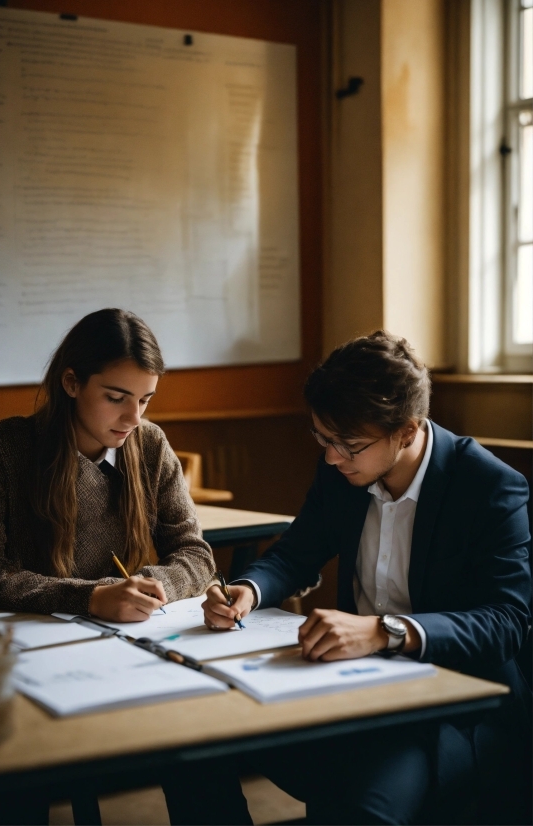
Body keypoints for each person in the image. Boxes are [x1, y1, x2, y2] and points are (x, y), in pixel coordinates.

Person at [163, 330, 531, 825]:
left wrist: (384, 631)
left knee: (360, 810)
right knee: (189, 748)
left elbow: (506, 621)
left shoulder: (487, 486)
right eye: (322, 437)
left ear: (407, 430)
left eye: (348, 445)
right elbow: (297, 552)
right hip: (348, 685)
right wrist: (248, 590)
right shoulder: (343, 472)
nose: (332, 456)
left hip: (447, 707)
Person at [0, 307, 215, 622]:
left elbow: (196, 556)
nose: (134, 419)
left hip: (108, 636)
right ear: (72, 383)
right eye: (116, 398)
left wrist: (151, 586)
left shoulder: (150, 445)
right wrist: (91, 597)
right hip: (5, 641)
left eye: (144, 400)